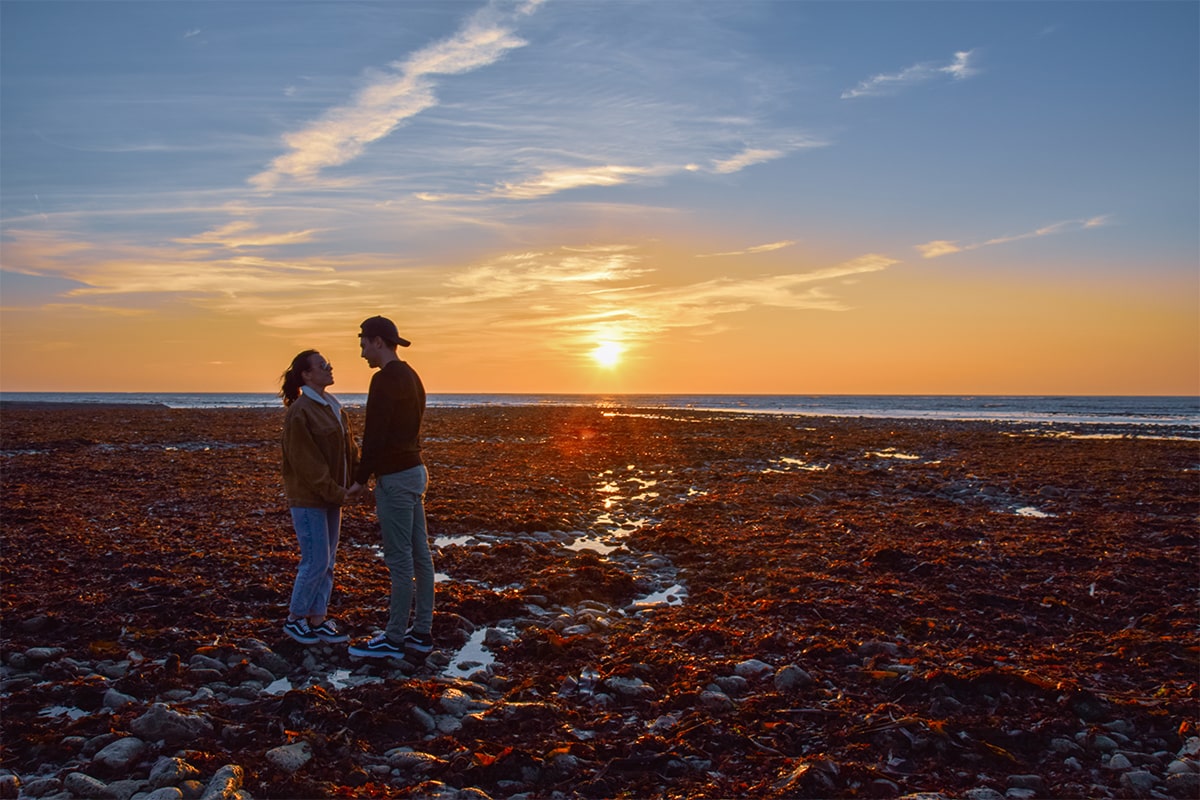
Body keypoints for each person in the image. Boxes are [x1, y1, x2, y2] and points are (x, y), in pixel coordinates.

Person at [346, 316, 435, 660]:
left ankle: (394, 638)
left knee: (400, 561)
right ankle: (422, 632)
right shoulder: (412, 376)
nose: (362, 352)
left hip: (396, 478)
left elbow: (374, 435)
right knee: (421, 557)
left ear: (378, 341)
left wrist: (359, 479)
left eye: (363, 344)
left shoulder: (383, 380)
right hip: (415, 471)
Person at [279, 350, 358, 646]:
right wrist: (337, 491)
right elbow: (307, 462)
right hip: (309, 497)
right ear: (306, 375)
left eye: (328, 364)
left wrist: (358, 481)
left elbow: (348, 451)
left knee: (327, 560)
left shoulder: (333, 407)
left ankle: (317, 618)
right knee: (315, 559)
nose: (329, 368)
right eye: (323, 366)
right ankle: (295, 619)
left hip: (331, 497)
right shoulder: (301, 411)